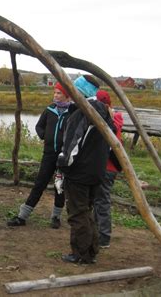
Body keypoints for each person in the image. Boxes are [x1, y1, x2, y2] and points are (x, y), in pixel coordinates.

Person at [57, 75, 115, 264]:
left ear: (79, 92)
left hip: (79, 173)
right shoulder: (104, 113)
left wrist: (62, 168)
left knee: (77, 213)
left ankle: (81, 254)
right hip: (96, 172)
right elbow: (111, 143)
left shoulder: (82, 114)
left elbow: (71, 147)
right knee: (87, 211)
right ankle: (91, 251)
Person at [7, 82, 71, 229]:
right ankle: (22, 216)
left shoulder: (72, 112)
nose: (55, 95)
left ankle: (55, 217)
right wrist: (44, 136)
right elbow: (39, 126)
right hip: (48, 154)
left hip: (63, 156)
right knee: (39, 184)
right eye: (54, 93)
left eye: (59, 93)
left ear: (67, 96)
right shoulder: (49, 110)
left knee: (59, 186)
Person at [94, 89, 124, 249]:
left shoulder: (108, 122)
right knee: (99, 199)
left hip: (106, 166)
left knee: (101, 200)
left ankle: (104, 236)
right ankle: (98, 232)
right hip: (110, 166)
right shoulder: (115, 119)